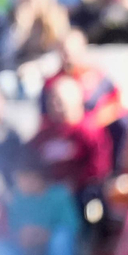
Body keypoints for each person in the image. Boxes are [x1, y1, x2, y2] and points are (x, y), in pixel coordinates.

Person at [42, 30, 127, 173]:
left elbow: (116, 101)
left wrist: (94, 121)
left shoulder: (95, 75)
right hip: (64, 130)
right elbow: (45, 113)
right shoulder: (52, 82)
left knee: (124, 122)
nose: (67, 56)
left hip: (93, 127)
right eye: (64, 51)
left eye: (71, 51)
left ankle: (115, 172)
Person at [0, 155, 79, 255]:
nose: (19, 183)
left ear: (36, 178)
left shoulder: (60, 195)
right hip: (26, 253)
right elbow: (12, 230)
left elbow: (72, 226)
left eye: (22, 179)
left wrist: (46, 234)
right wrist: (21, 236)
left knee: (62, 239)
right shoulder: (16, 198)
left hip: (52, 250)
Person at [30, 75, 110, 207]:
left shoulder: (89, 131)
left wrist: (74, 183)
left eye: (59, 101)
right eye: (52, 100)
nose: (55, 106)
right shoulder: (45, 133)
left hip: (80, 195)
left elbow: (99, 168)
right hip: (48, 193)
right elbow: (31, 160)